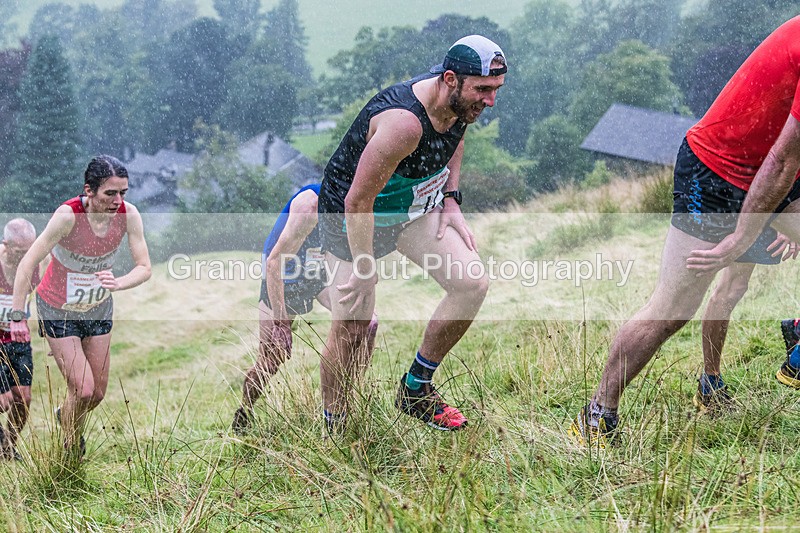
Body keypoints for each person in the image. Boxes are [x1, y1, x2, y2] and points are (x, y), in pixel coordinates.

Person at [571, 16, 800, 447]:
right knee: (673, 309)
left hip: (770, 168)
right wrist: (741, 236)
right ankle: (597, 415)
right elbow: (783, 161)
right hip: (715, 171)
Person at [317, 35, 507, 431]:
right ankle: (335, 426)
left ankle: (415, 388)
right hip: (352, 216)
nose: (490, 101)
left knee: (471, 283)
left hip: (408, 209)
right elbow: (357, 200)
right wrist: (364, 265)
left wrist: (451, 197)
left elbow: (456, 135)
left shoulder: (457, 104)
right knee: (352, 324)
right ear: (450, 79)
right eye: (483, 90)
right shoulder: (404, 123)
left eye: (496, 89)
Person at [10, 155, 151, 457]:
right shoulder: (68, 216)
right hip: (57, 308)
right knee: (83, 390)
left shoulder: (129, 215)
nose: (117, 201)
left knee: (96, 394)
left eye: (123, 193)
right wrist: (18, 315)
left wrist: (118, 283)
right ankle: (71, 447)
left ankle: (65, 415)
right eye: (110, 193)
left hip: (98, 307)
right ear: (89, 190)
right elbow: (28, 263)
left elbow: (144, 267)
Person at [231, 184, 378, 435]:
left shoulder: (358, 203)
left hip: (317, 275)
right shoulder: (309, 205)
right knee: (271, 360)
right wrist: (281, 324)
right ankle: (244, 410)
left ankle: (348, 397)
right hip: (281, 280)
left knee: (368, 323)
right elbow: (274, 264)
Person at [695, 232, 797, 411]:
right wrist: (785, 220)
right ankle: (710, 384)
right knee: (733, 286)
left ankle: (797, 337)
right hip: (755, 217)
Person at [0, 219, 44, 459]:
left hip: (19, 339)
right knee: (3, 401)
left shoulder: (38, 261)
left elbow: (49, 294)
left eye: (29, 250)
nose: (25, 256)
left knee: (23, 399)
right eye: (19, 251)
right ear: (5, 245)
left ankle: (8, 447)